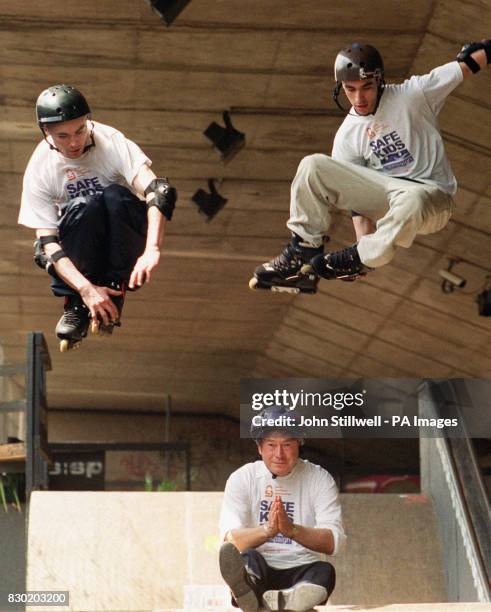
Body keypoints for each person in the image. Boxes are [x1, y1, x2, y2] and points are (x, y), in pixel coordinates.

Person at [250, 40, 490, 293]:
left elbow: (470, 62)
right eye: (350, 89)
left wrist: (364, 253)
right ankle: (304, 249)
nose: (359, 97)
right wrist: (361, 240)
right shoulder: (347, 135)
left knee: (413, 197)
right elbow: (357, 203)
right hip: (389, 195)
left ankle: (366, 256)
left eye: (366, 87)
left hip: (433, 200)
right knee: (313, 166)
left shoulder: (414, 94)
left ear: (379, 81)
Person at [18, 84, 177, 350]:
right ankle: (77, 304)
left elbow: (158, 191)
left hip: (124, 238)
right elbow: (48, 245)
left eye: (80, 130)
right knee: (82, 208)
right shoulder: (40, 168)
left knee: (114, 195)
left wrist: (153, 250)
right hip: (79, 250)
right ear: (47, 132)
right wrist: (85, 289)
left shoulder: (110, 141)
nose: (74, 142)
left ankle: (115, 285)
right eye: (63, 135)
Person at [218, 408, 346, 611]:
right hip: (260, 567)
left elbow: (334, 542)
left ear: (299, 445)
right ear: (259, 448)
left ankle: (292, 598)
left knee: (324, 571)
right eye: (271, 445)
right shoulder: (242, 478)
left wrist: (291, 529)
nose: (279, 454)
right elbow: (230, 542)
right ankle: (249, 590)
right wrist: (268, 531)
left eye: (287, 444)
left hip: (301, 568)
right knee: (248, 558)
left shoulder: (320, 479)